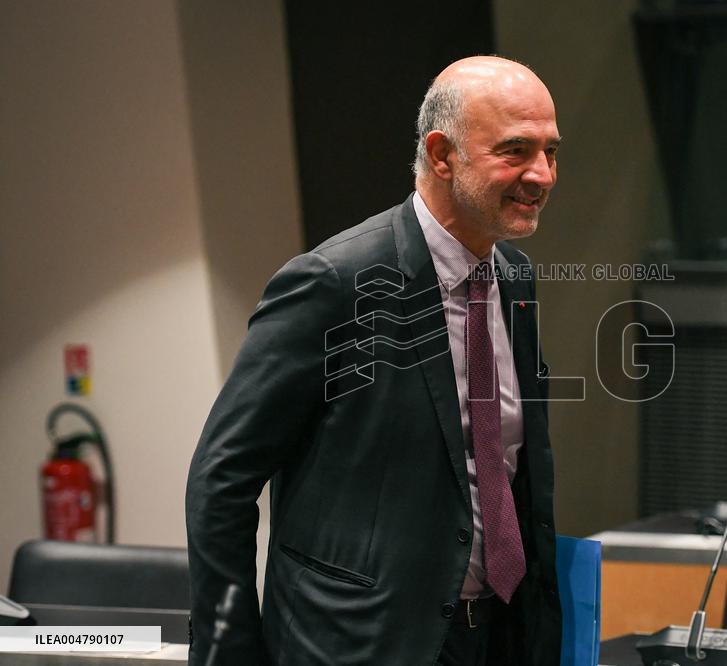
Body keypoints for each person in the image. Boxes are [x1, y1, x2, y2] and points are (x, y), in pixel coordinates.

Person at [185, 55, 563, 666]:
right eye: (516, 150)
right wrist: (230, 651)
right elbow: (219, 481)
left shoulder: (514, 277)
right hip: (355, 645)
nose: (542, 174)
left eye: (550, 151)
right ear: (442, 155)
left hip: (496, 636)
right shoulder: (333, 283)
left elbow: (509, 466)